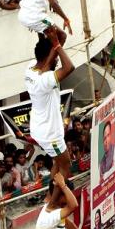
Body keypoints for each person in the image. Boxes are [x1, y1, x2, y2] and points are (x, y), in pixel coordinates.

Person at [24, 37, 76, 183]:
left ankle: (49, 196)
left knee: (58, 163)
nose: (57, 61)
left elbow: (59, 42)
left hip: (41, 128)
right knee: (66, 166)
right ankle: (52, 202)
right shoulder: (45, 79)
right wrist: (58, 45)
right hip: (50, 134)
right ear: (48, 57)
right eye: (55, 58)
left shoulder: (30, 67)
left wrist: (55, 40)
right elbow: (69, 67)